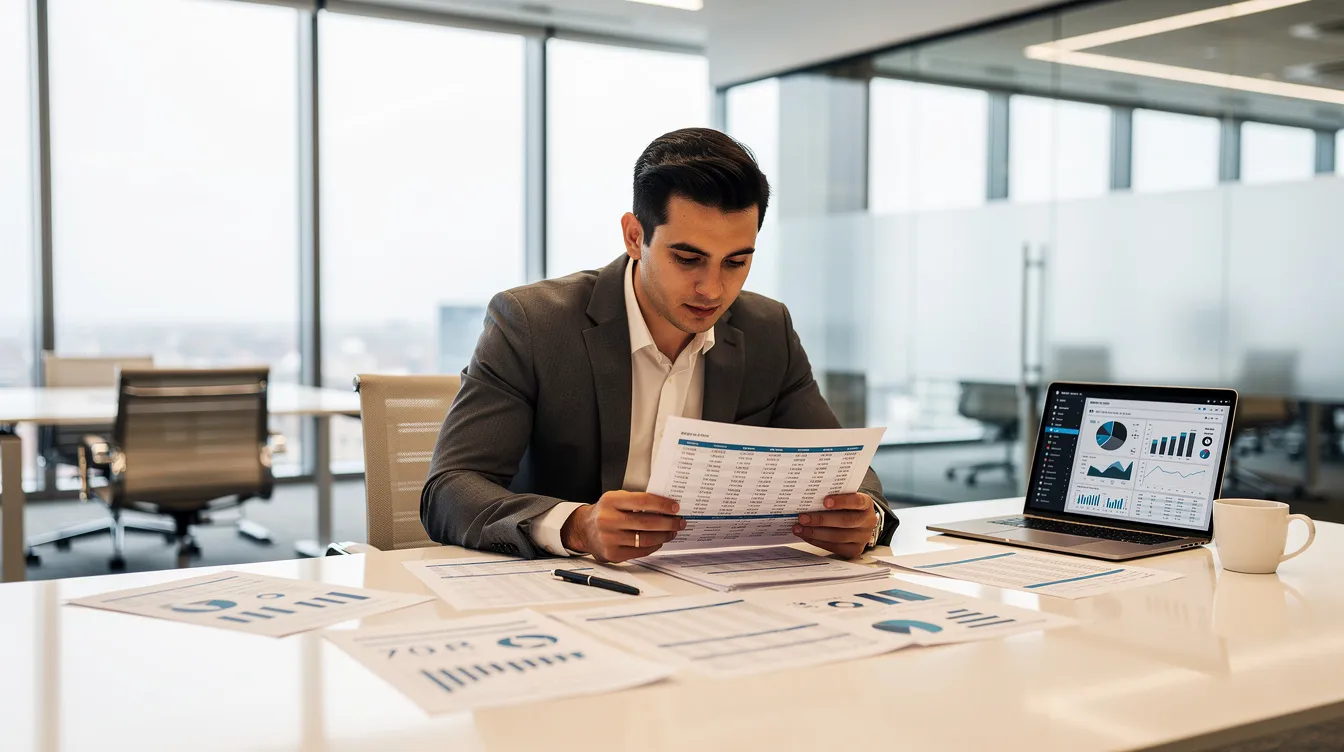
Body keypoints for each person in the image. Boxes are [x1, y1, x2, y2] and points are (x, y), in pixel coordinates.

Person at [421, 127, 897, 563]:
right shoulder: (533, 324)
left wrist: (864, 518)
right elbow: (448, 490)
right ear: (635, 236)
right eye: (688, 258)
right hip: (566, 593)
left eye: (735, 262)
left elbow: (846, 471)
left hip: (718, 594)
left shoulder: (767, 328)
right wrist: (576, 526)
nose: (712, 289)